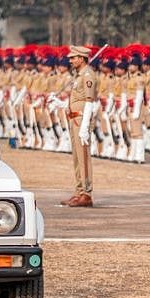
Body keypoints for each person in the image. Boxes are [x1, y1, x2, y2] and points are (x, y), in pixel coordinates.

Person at [62, 45, 99, 207]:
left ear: (82, 58)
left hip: (81, 120)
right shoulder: (78, 75)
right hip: (74, 119)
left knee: (83, 157)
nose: (71, 60)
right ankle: (79, 191)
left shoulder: (88, 75)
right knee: (77, 158)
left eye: (74, 58)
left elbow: (89, 102)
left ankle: (86, 193)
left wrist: (85, 126)